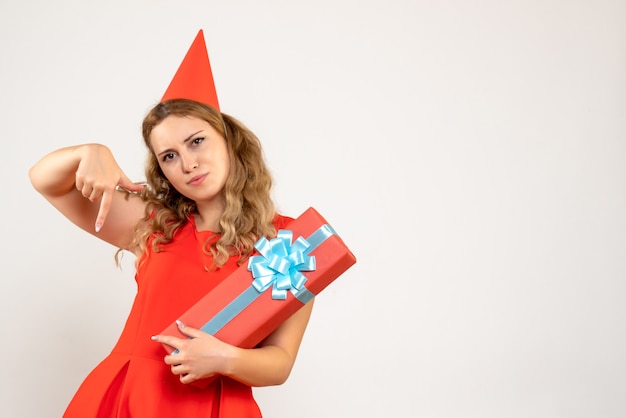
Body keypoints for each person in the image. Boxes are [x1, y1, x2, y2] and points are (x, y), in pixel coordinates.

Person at [28, 31, 313, 418]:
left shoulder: (289, 242)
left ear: (229, 141)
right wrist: (89, 152)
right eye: (169, 156)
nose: (188, 164)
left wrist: (224, 359)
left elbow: (279, 362)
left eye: (197, 142)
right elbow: (46, 180)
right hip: (127, 399)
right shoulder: (156, 224)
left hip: (216, 405)